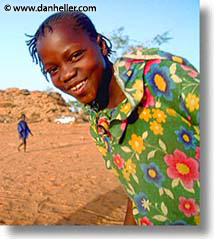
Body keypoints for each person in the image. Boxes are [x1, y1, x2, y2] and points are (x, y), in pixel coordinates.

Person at [26, 11, 200, 226]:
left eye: (75, 55)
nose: (66, 74)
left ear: (101, 46)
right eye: (53, 69)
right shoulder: (99, 121)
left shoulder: (160, 75)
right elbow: (136, 188)